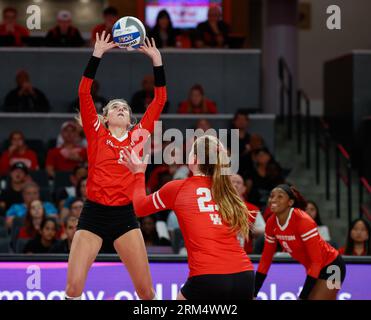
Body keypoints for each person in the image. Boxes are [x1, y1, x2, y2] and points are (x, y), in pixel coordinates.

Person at [64, 32, 167, 300]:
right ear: (105, 117)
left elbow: (160, 100)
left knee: (146, 292)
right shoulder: (96, 131)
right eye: (115, 107)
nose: (121, 108)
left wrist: (157, 62)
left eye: (124, 108)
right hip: (94, 214)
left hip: (125, 216)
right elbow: (83, 92)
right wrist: (97, 55)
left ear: (131, 119)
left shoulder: (139, 135)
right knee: (73, 288)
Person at [122, 135, 255, 300]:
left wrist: (139, 174)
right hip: (244, 276)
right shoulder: (226, 191)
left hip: (208, 276)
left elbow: (140, 208)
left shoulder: (178, 188)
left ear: (194, 159)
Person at [254, 185, 346, 300]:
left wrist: (302, 296)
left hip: (333, 266)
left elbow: (316, 261)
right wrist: (254, 292)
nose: (273, 200)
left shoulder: (303, 221)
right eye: (271, 196)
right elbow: (265, 260)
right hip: (313, 268)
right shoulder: (271, 222)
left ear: (290, 202)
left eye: (280, 197)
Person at [230, 174, 265, 254]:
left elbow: (264, 232)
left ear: (244, 189)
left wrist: (249, 228)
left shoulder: (253, 209)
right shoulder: (216, 206)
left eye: (238, 183)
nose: (235, 185)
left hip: (246, 255)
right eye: (232, 182)